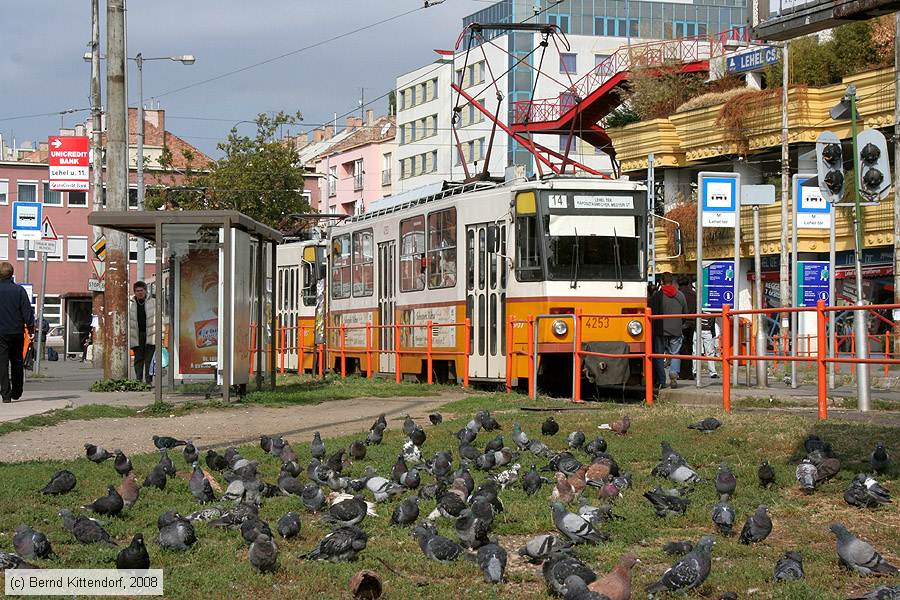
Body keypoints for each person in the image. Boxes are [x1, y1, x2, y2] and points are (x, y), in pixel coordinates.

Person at [0, 262, 35, 403]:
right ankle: (17, 391)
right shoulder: (19, 290)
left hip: (0, 333)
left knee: (2, 363)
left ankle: (6, 394)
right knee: (17, 361)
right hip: (16, 331)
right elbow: (27, 311)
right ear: (11, 273)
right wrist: (31, 328)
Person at [649, 273, 688, 389]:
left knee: (659, 356)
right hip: (676, 329)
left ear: (661, 281)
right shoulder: (680, 295)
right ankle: (673, 376)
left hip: (660, 330)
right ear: (672, 282)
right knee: (675, 354)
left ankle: (661, 380)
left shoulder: (657, 296)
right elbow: (685, 313)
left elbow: (651, 312)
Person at [128, 281, 156, 384]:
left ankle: (148, 381)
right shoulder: (130, 304)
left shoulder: (153, 302)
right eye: (137, 291)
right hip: (136, 334)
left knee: (149, 359)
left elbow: (159, 318)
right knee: (138, 358)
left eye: (141, 290)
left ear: (145, 291)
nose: (139, 293)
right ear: (134, 292)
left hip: (151, 334)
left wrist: (160, 336)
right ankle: (138, 381)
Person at [678, 276, 697, 380]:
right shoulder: (694, 294)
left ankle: (682, 373)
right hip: (692, 322)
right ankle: (689, 373)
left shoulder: (679, 294)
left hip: (681, 322)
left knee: (681, 348)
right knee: (689, 347)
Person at [695, 313, 719, 378]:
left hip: (702, 330)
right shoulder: (711, 309)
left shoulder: (702, 307)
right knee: (709, 353)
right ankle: (712, 372)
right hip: (703, 330)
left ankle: (695, 371)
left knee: (697, 352)